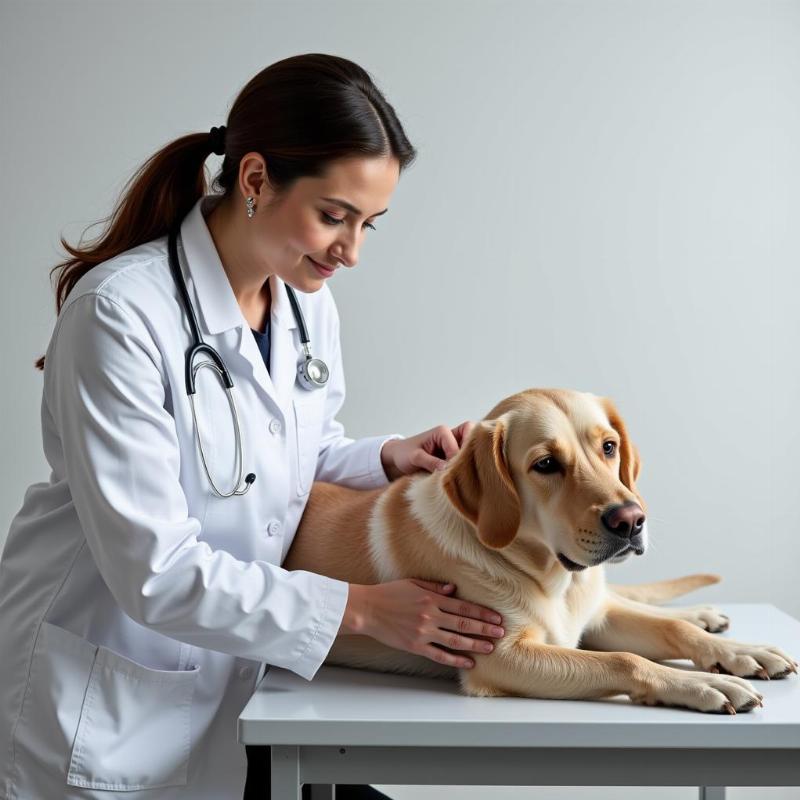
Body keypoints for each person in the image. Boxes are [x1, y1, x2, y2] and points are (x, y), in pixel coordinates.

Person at [0, 53, 507, 800]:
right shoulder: (120, 315)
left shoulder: (304, 304)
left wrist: (389, 459)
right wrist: (360, 610)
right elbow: (155, 569)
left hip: (235, 683)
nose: (352, 251)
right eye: (334, 216)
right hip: (106, 689)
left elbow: (281, 458)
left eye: (370, 223)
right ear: (257, 180)